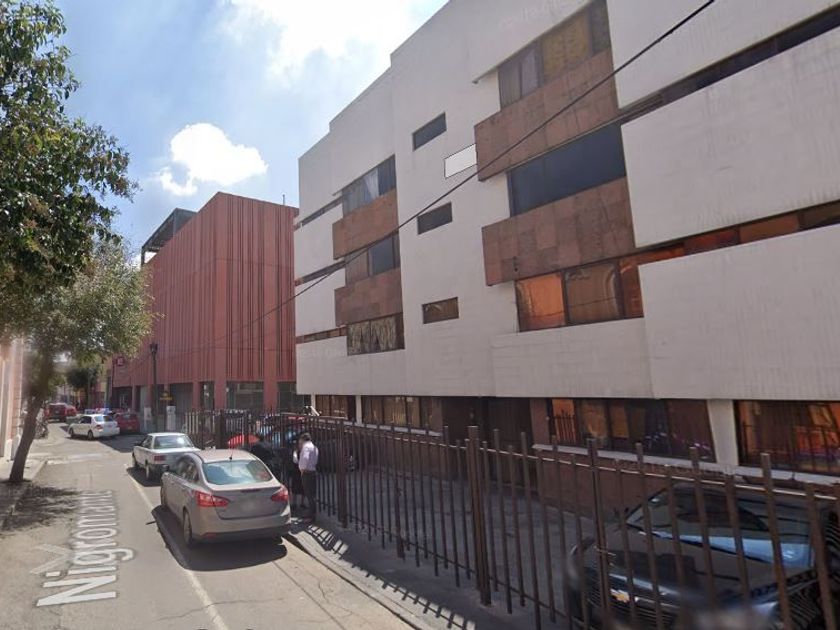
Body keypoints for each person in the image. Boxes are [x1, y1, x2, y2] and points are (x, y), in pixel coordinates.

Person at [296, 432, 319, 522]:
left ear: (302, 439)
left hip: (307, 473)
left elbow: (304, 459)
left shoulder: (305, 447)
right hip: (313, 471)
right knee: (312, 495)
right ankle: (312, 514)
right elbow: (315, 460)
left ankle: (311, 516)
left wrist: (302, 469)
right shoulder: (314, 447)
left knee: (309, 495)